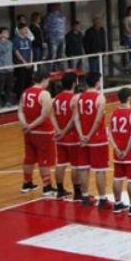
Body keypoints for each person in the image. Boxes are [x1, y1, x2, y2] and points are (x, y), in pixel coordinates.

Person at [18, 69, 55, 196]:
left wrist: (25, 125)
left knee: (29, 158)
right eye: (48, 80)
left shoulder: (25, 93)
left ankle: (27, 183)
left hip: (29, 132)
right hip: (42, 131)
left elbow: (20, 111)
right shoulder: (44, 94)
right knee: (44, 159)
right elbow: (45, 115)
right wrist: (31, 126)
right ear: (44, 79)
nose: (49, 82)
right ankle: (47, 186)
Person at [75, 71, 109, 208]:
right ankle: (102, 199)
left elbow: (76, 118)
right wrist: (89, 136)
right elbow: (97, 120)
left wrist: (82, 135)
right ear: (96, 82)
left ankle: (84, 197)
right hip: (97, 138)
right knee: (100, 170)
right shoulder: (100, 98)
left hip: (82, 138)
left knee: (84, 168)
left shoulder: (80, 98)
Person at [109, 87, 131, 215]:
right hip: (130, 152)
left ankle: (117, 204)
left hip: (117, 152)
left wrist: (116, 148)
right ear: (129, 97)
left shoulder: (113, 113)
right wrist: (126, 150)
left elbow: (109, 133)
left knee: (118, 178)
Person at [51, 72, 81, 200]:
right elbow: (74, 119)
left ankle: (60, 189)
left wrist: (58, 129)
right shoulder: (75, 98)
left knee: (61, 163)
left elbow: (51, 114)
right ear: (74, 83)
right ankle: (77, 192)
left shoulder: (56, 98)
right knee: (76, 165)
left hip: (60, 136)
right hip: (72, 135)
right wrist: (64, 131)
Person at [0, 27, 14, 108]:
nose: (7, 34)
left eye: (7, 32)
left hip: (9, 68)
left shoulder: (10, 43)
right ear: (0, 34)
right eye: (4, 32)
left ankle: (8, 101)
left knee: (8, 86)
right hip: (0, 69)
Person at [12, 23, 34, 100]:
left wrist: (31, 61)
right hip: (20, 64)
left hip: (29, 63)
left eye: (26, 29)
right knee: (21, 82)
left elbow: (31, 51)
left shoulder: (28, 39)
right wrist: (24, 62)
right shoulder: (15, 40)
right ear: (20, 30)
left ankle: (29, 97)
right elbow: (16, 52)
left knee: (29, 81)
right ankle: (20, 98)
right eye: (25, 29)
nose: (26, 31)